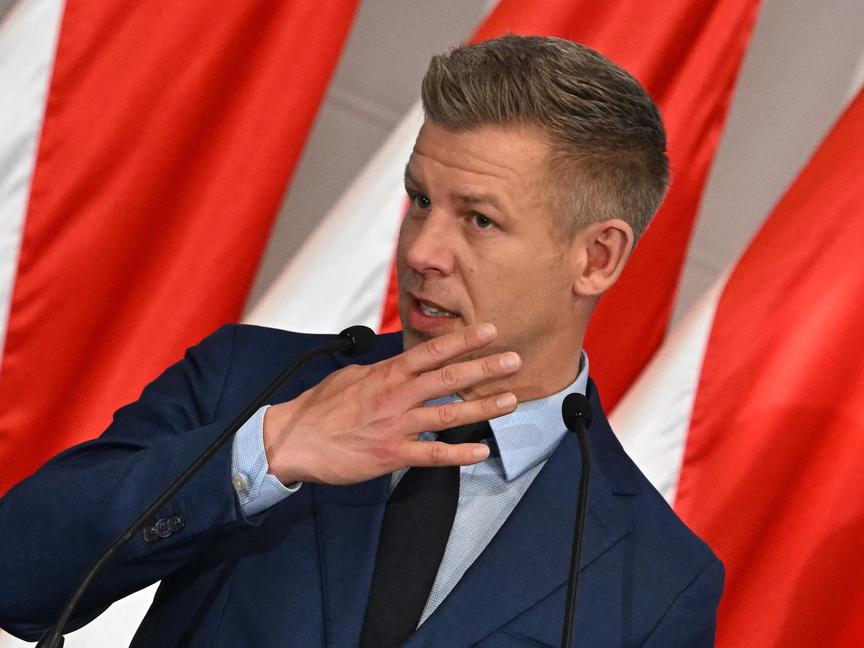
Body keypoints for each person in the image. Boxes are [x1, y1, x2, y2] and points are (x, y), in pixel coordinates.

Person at [0, 36, 723, 646]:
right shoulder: (249, 381)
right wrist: (262, 454)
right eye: (420, 201)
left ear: (595, 258)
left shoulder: (660, 580)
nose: (421, 251)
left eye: (479, 220)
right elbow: (16, 578)